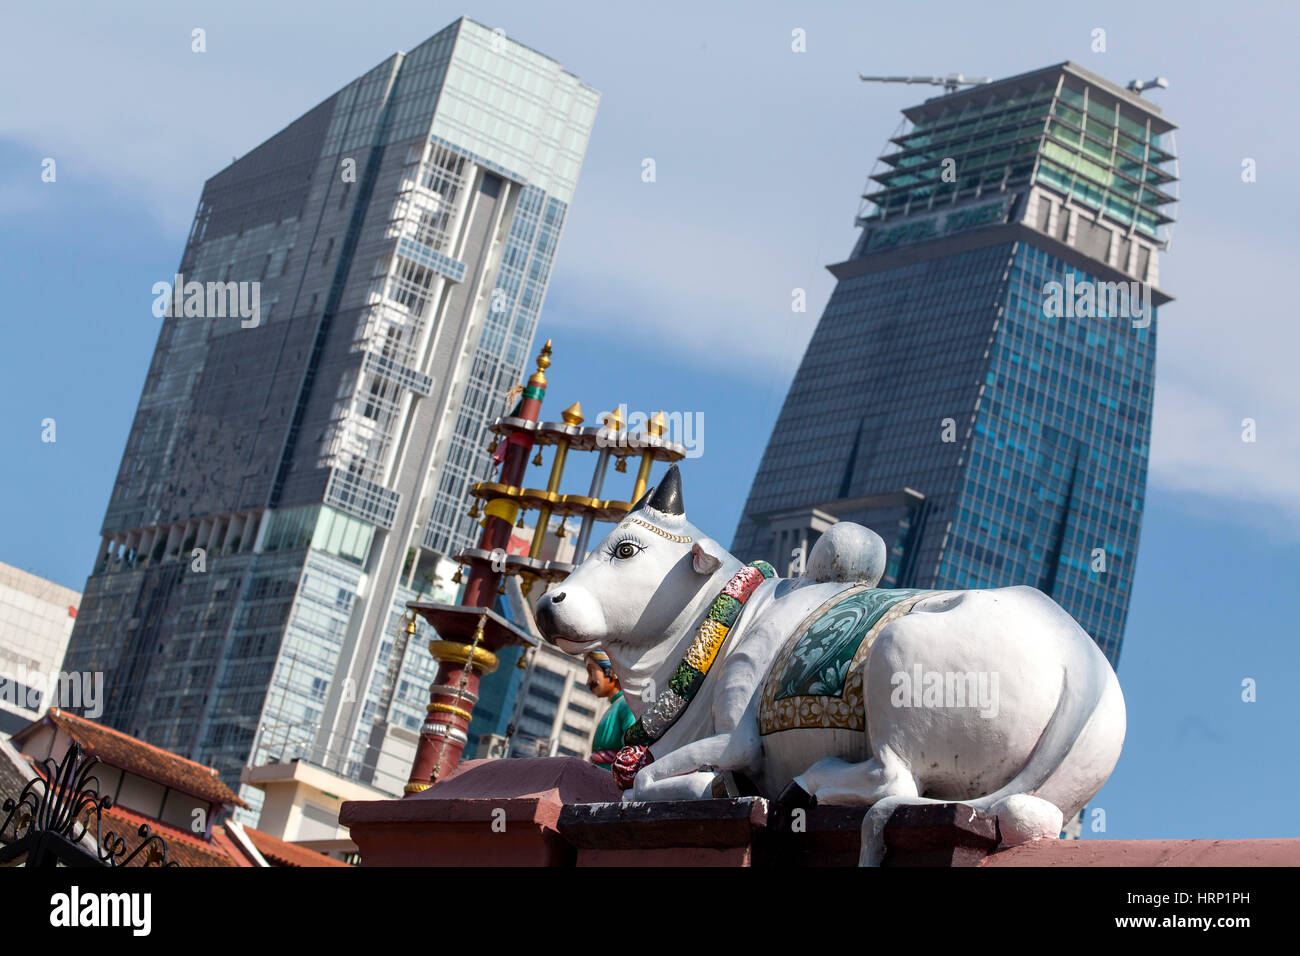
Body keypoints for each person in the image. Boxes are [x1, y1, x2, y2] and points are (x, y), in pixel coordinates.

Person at [585, 650, 636, 770]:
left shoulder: (627, 705)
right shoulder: (617, 705)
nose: (588, 682)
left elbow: (632, 750)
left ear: (613, 670)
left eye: (592, 672)